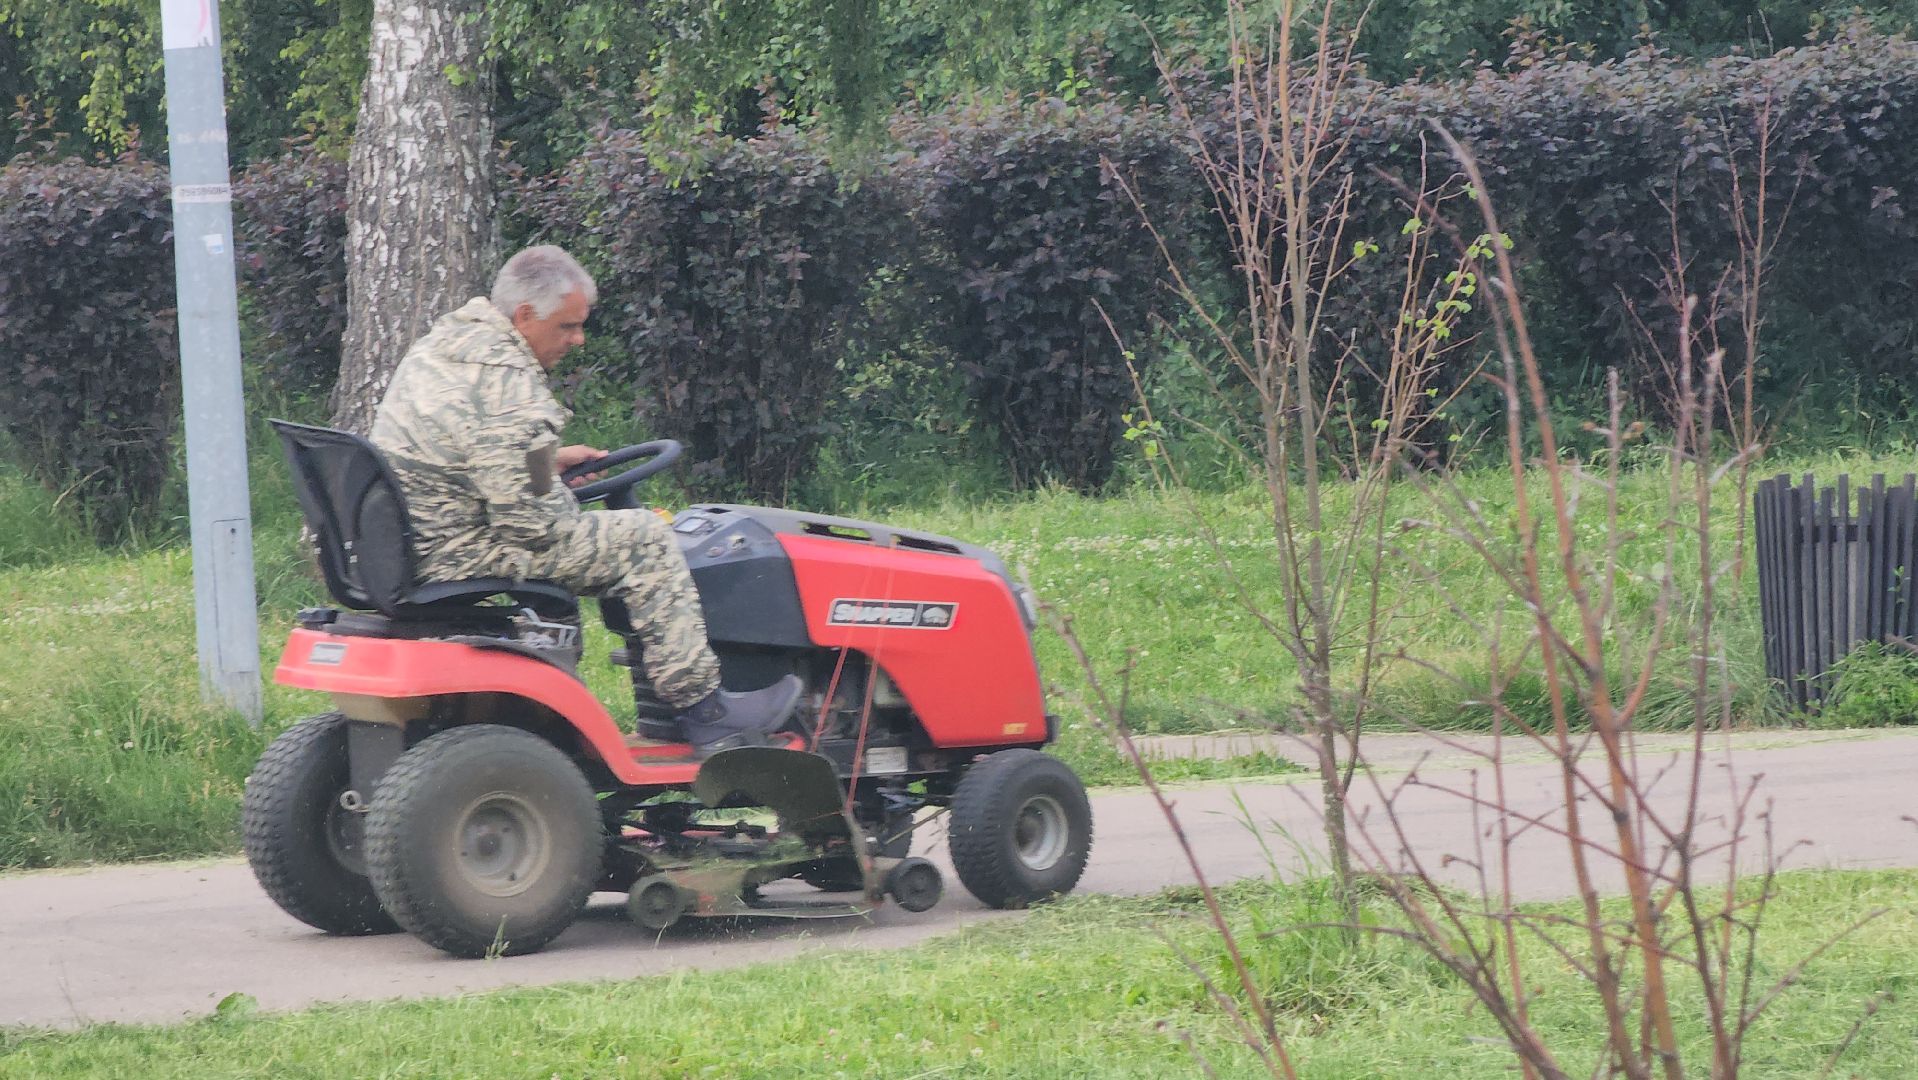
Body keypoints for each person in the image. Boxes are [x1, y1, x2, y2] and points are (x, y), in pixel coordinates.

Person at [369, 245, 799, 755]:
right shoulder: (509, 382)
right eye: (567, 327)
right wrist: (555, 497)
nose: (579, 339)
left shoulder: (447, 345)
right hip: (455, 548)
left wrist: (547, 465)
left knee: (607, 537)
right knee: (645, 539)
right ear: (524, 315)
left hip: (414, 538)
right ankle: (707, 713)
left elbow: (472, 449)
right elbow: (531, 525)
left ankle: (567, 711)